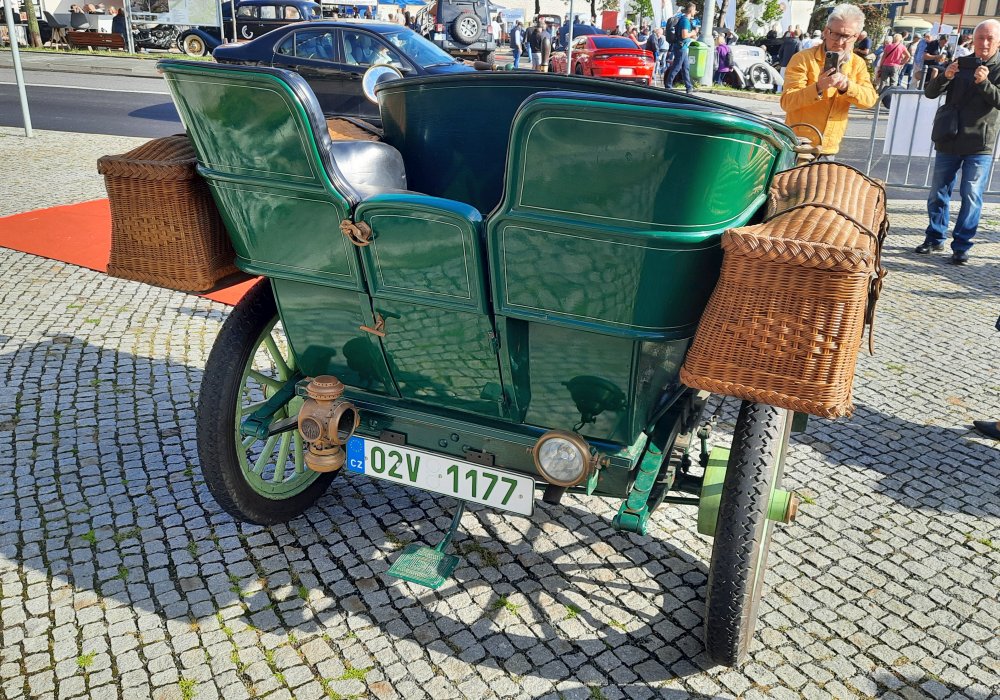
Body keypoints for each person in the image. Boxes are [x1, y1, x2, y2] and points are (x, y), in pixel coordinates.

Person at [915, 19, 1000, 264]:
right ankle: (934, 237)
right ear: (973, 39)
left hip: (979, 143)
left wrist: (985, 84)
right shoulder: (961, 61)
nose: (984, 43)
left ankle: (961, 245)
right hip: (949, 138)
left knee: (971, 195)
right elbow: (931, 93)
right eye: (980, 37)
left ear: (998, 41)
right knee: (937, 193)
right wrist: (946, 76)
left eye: (989, 38)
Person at [779, 3, 878, 157]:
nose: (839, 41)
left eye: (846, 36)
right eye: (835, 34)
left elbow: (870, 99)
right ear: (826, 31)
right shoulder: (803, 59)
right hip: (798, 146)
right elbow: (787, 102)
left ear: (857, 37)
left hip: (829, 148)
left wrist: (847, 87)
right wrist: (818, 87)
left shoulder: (857, 64)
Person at [665, 2, 697, 94]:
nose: (695, 12)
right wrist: (693, 33)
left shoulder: (684, 20)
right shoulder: (685, 21)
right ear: (691, 10)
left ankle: (689, 87)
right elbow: (684, 35)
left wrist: (692, 35)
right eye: (694, 10)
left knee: (685, 67)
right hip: (681, 47)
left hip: (682, 47)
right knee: (677, 67)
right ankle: (668, 85)